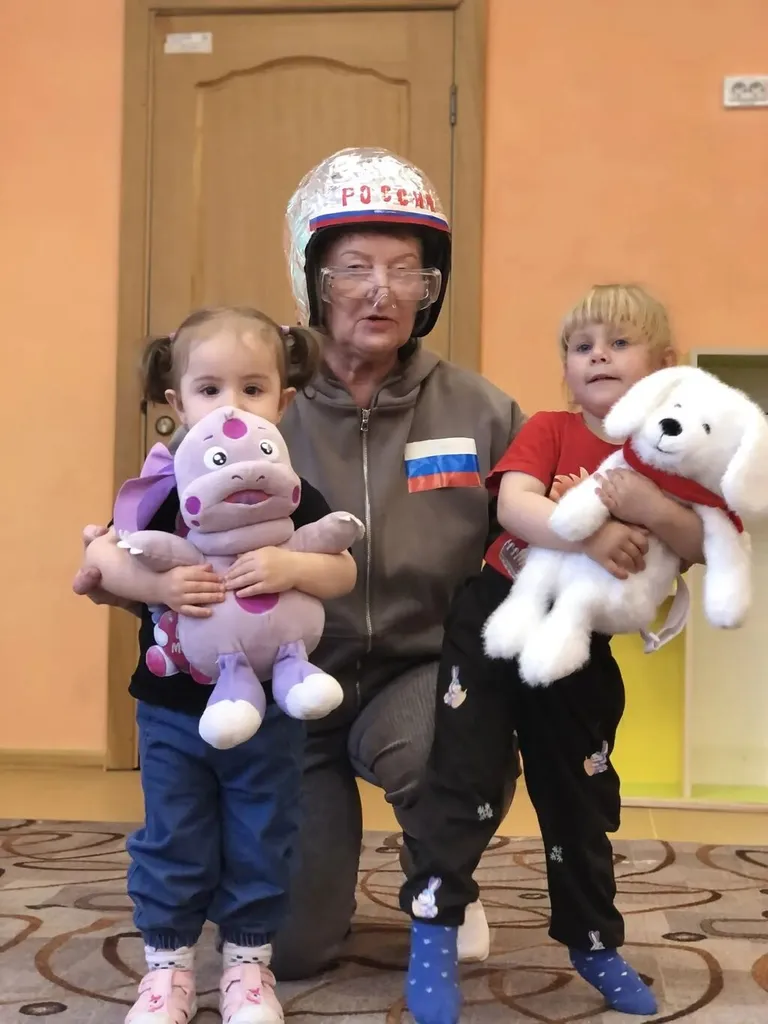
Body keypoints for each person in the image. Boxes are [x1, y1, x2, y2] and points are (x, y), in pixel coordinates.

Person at [74, 147, 525, 977]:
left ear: (432, 286)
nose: (382, 290)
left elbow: (529, 535)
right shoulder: (249, 403)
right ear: (312, 278)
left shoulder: (481, 409)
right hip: (282, 683)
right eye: (355, 268)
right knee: (291, 951)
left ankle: (441, 873)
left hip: (419, 673)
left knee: (459, 735)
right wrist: (131, 576)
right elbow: (141, 540)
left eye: (406, 270)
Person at [398, 284, 706, 1024]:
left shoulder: (676, 452)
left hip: (579, 645)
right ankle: (435, 930)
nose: (597, 355)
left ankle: (593, 943)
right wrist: (592, 532)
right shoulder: (550, 428)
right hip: (496, 619)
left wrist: (649, 505)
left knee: (578, 796)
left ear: (665, 364)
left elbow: (702, 542)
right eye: (581, 346)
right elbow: (514, 505)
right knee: (464, 777)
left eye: (619, 342)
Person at [82, 307, 358, 1024]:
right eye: (209, 389)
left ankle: (247, 966)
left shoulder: (289, 492)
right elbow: (103, 557)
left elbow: (342, 571)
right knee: (173, 837)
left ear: (283, 402)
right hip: (172, 712)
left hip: (269, 709)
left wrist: (292, 565)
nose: (231, 407)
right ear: (176, 403)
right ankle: (167, 968)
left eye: (252, 389)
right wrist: (161, 586)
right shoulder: (164, 491)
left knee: (263, 833)